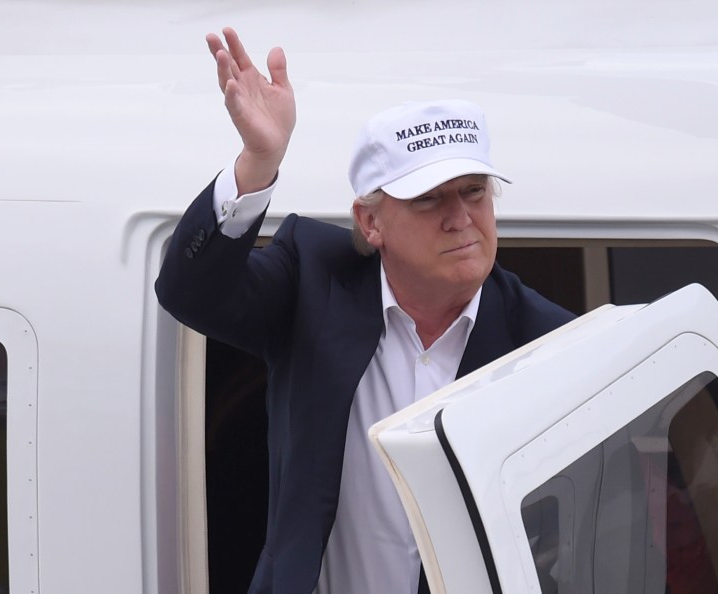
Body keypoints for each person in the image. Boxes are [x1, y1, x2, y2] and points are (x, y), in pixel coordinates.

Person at [155, 27, 575, 594]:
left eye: (474, 191)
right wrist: (258, 163)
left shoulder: (547, 339)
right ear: (370, 222)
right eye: (428, 198)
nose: (460, 218)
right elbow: (190, 292)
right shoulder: (312, 279)